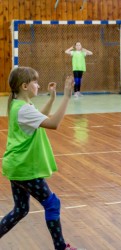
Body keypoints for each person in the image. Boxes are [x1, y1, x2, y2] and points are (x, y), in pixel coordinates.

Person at [0, 67, 80, 250]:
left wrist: (52, 98)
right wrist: (67, 96)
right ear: (25, 86)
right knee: (52, 204)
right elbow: (53, 124)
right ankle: (61, 247)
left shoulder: (20, 105)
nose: (38, 85)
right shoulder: (23, 109)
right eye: (35, 82)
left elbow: (39, 119)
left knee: (21, 210)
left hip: (16, 166)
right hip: (24, 168)